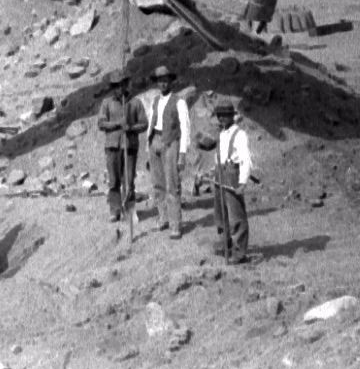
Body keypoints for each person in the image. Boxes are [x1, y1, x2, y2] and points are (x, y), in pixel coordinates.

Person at [197, 96, 254, 263]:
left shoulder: (240, 134)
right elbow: (218, 156)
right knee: (220, 215)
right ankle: (225, 244)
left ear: (232, 115)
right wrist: (213, 172)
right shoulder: (221, 134)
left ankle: (239, 252)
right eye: (219, 115)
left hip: (232, 175)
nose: (222, 118)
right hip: (219, 176)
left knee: (236, 216)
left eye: (225, 115)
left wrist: (242, 182)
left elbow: (245, 160)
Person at [140, 65, 191, 239]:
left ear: (170, 81)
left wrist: (182, 154)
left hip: (170, 143)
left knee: (172, 185)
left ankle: (175, 225)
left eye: (165, 80)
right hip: (154, 140)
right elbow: (151, 123)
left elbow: (185, 128)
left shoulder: (179, 101)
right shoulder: (155, 100)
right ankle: (163, 218)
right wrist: (148, 146)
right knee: (157, 183)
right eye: (159, 81)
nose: (163, 84)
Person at [96, 74, 147, 222]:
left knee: (129, 181)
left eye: (121, 85)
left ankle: (129, 210)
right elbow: (101, 123)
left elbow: (144, 124)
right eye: (116, 86)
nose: (119, 88)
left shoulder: (135, 103)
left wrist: (130, 127)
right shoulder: (107, 103)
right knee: (113, 181)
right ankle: (115, 210)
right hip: (112, 147)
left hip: (129, 147)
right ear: (113, 87)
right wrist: (117, 124)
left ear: (126, 85)